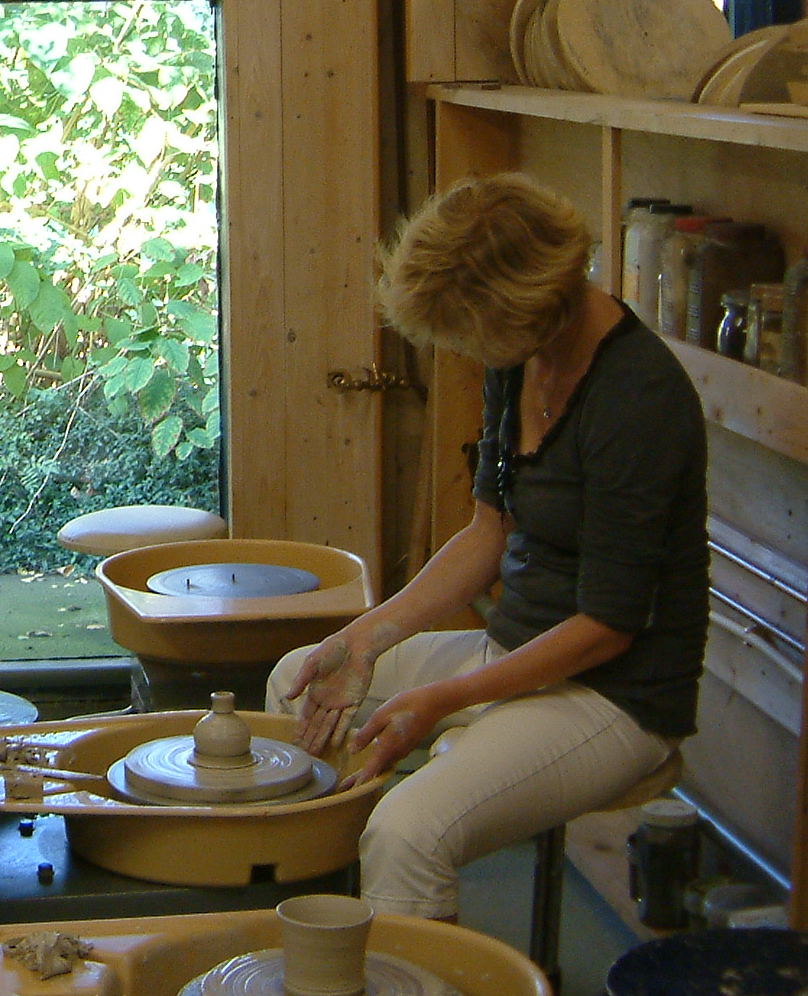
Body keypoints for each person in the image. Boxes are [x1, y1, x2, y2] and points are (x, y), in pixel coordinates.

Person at [269, 171, 708, 920]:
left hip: (614, 694)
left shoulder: (640, 398)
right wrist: (365, 637)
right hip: (513, 648)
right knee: (295, 685)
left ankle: (397, 983)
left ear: (530, 303)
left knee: (410, 831)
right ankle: (335, 921)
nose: (471, 351)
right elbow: (487, 535)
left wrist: (441, 699)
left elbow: (608, 626)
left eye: (475, 333)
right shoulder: (519, 357)